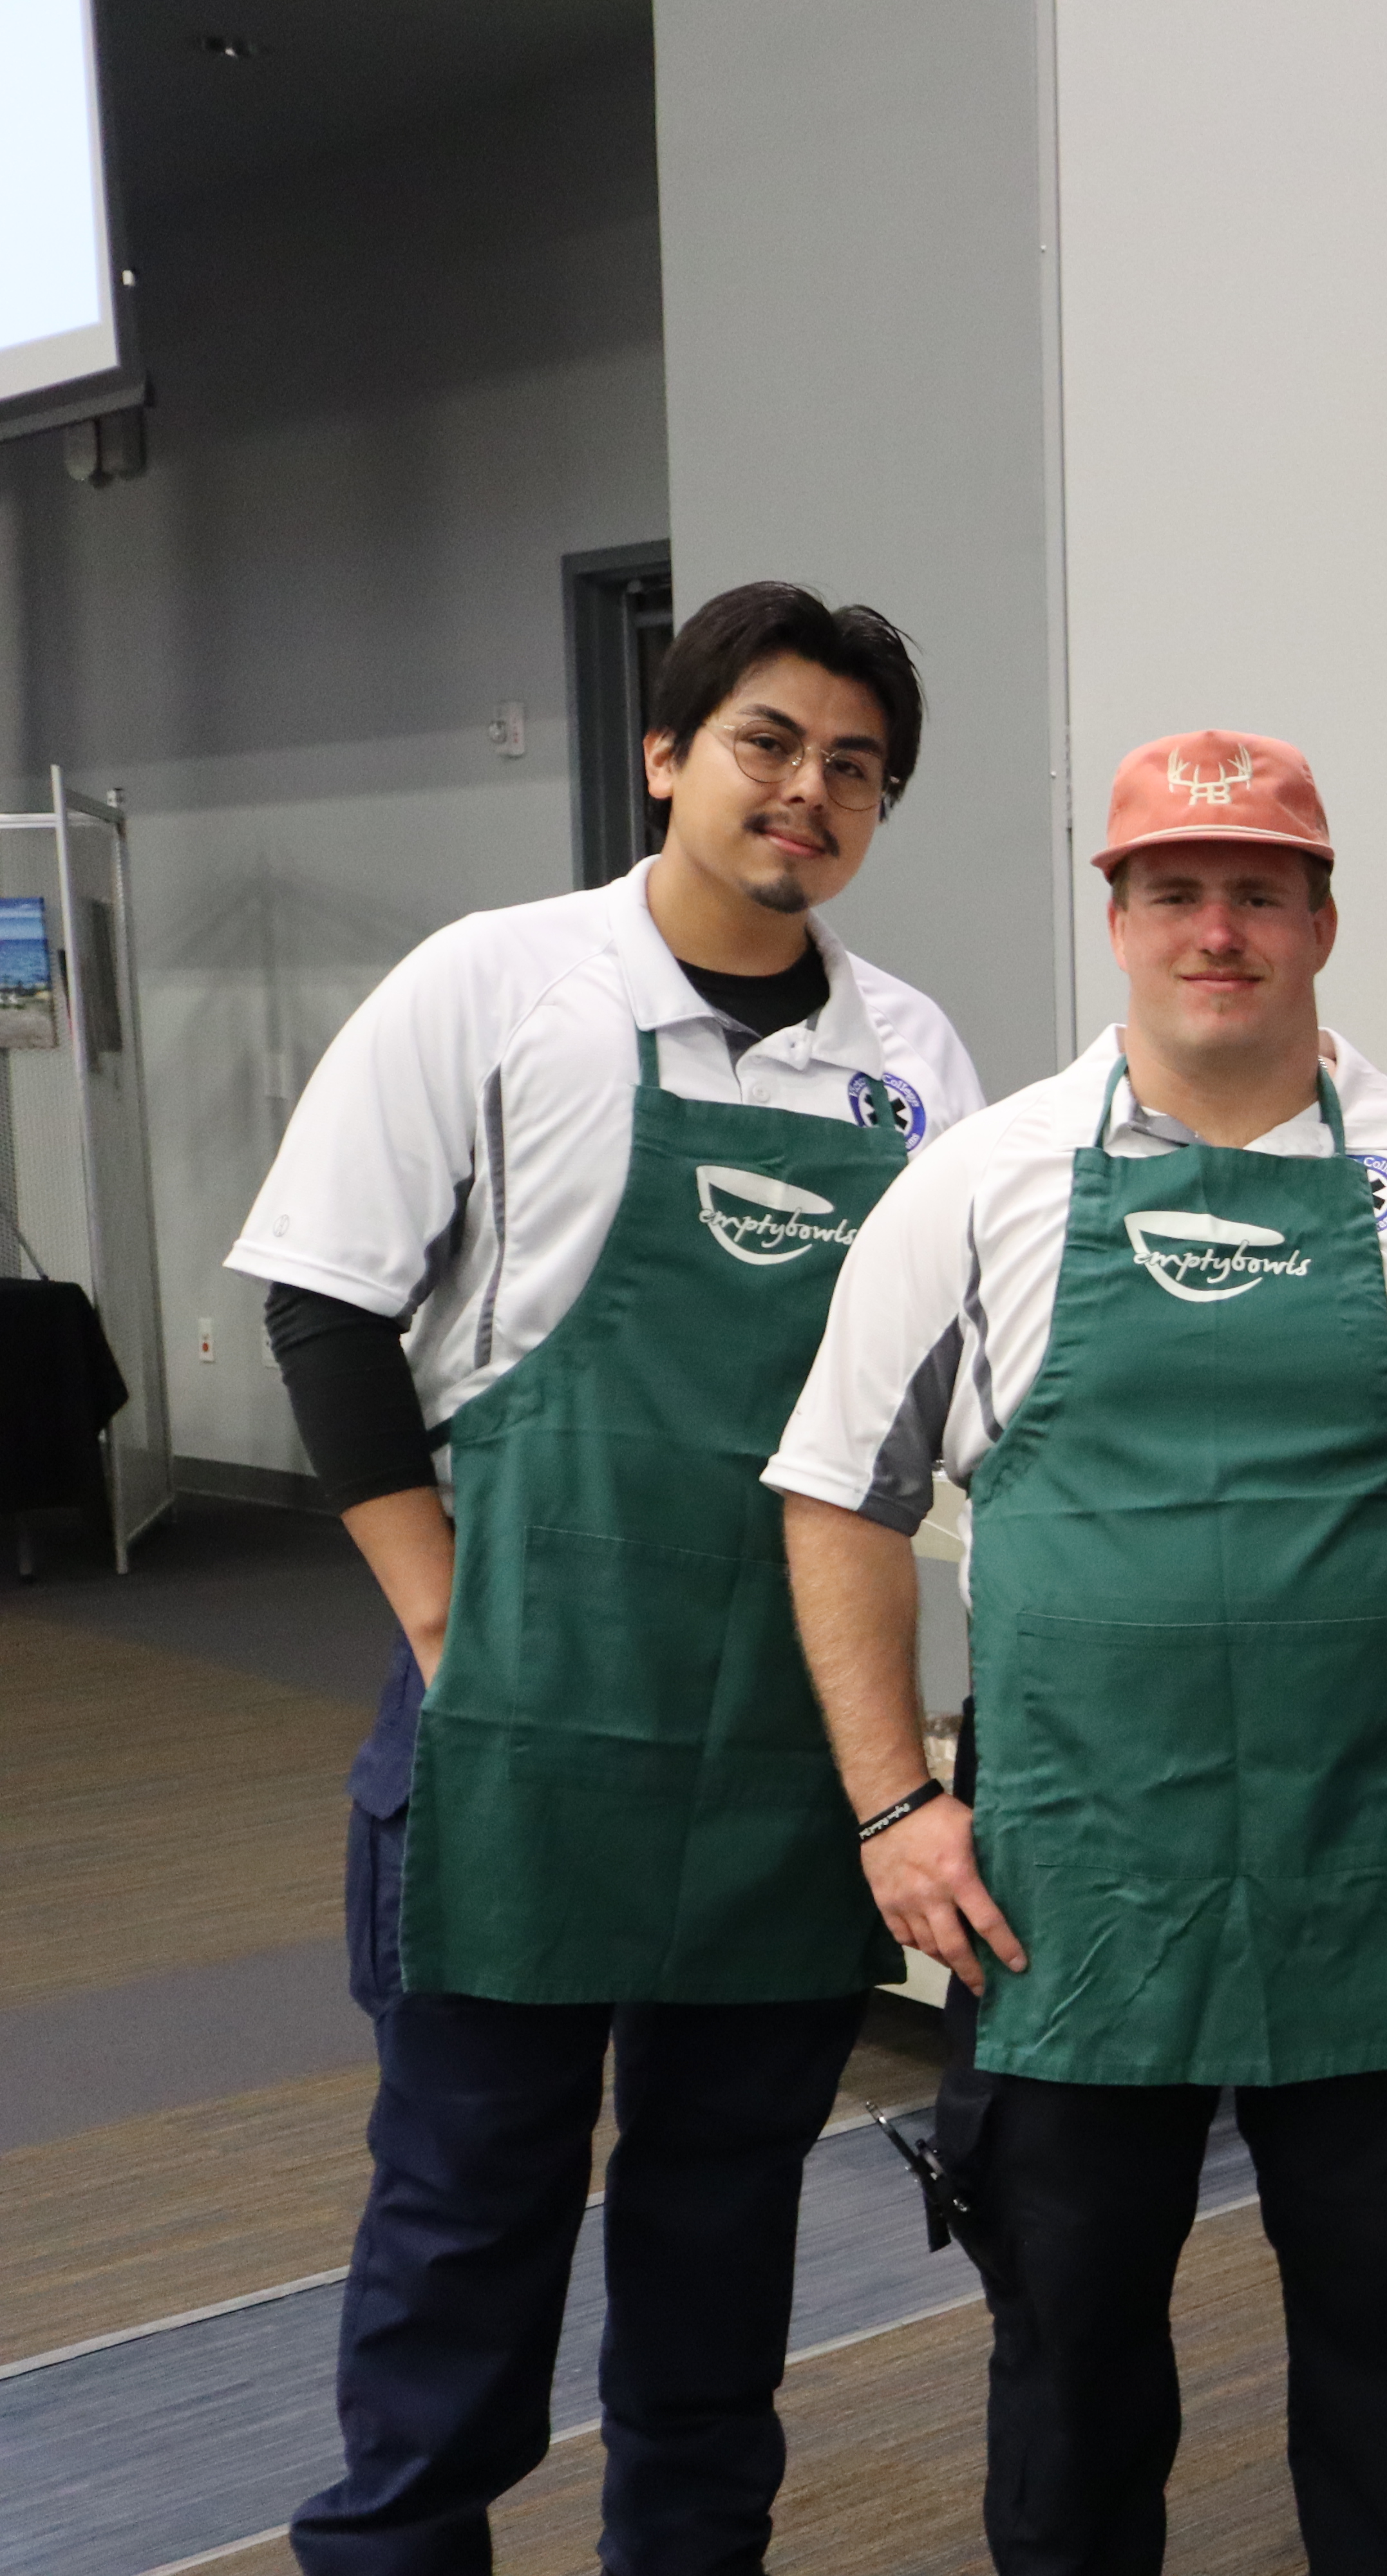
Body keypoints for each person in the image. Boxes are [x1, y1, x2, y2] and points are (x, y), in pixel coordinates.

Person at [769, 730, 1387, 2575]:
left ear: (1323, 918)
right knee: (1071, 2368)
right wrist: (889, 1806)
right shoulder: (981, 1185)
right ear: (1118, 918)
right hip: (1080, 1887)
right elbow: (842, 1497)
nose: (1219, 928)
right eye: (1176, 889)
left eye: (1261, 889)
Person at [231, 583, 983, 2573]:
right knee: (468, 2211)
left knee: (721, 2229)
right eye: (764, 743)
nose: (805, 793)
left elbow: (951, 1387)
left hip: (781, 1742)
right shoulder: (502, 984)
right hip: (522, 1711)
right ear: (665, 752)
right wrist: (436, 1614)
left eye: (853, 770)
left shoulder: (909, 1057)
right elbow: (326, 1304)